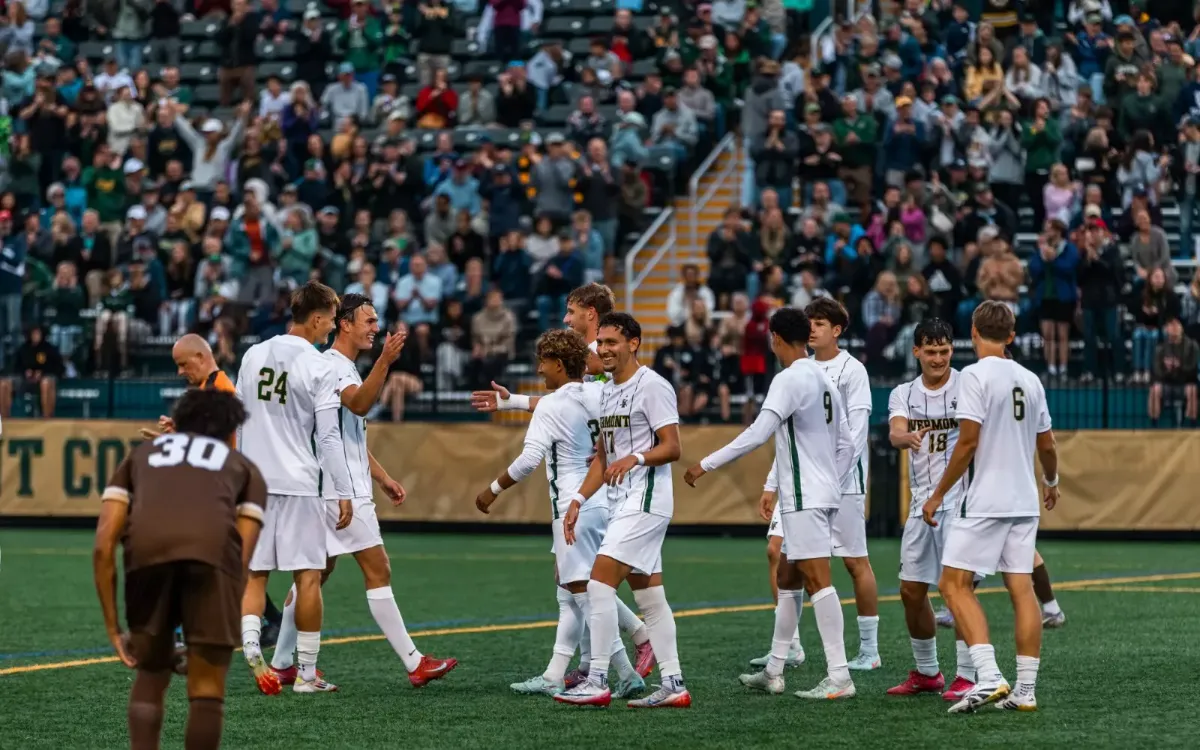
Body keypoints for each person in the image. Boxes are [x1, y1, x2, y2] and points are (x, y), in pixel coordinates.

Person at [469, 283, 657, 686]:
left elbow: (528, 459)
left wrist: (492, 490)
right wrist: (514, 402)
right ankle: (563, 672)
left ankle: (625, 665)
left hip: (572, 502)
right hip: (600, 494)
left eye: (572, 311)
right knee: (574, 588)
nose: (539, 369)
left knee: (588, 590)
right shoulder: (598, 390)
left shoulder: (587, 383)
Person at [267, 294, 458, 687]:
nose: (375, 328)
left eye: (376, 321)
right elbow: (360, 406)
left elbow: (344, 434)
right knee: (377, 568)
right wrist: (386, 362)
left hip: (324, 486)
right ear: (345, 324)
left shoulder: (334, 365)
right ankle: (414, 663)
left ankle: (284, 661)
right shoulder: (336, 367)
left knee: (314, 574)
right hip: (341, 490)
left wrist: (383, 477)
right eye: (368, 321)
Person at [684, 306, 856, 700]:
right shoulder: (823, 378)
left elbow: (758, 433)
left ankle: (841, 676)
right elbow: (846, 443)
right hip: (821, 492)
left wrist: (704, 464)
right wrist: (831, 480)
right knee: (788, 577)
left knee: (817, 580)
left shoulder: (789, 378)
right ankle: (775, 669)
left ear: (775, 338)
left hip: (804, 496)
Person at [92, 389, 265, 750]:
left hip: (146, 557)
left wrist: (114, 628)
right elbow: (241, 559)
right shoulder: (244, 468)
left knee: (151, 676)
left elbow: (103, 544)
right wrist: (210, 638)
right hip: (212, 559)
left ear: (178, 420)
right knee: (206, 688)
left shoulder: (140, 456)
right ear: (231, 430)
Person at [924, 300, 1059, 713]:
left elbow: (967, 442)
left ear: (974, 332)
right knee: (1021, 589)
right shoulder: (1031, 379)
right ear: (1013, 335)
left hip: (985, 499)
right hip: (1023, 500)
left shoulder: (974, 376)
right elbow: (1047, 445)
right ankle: (1026, 690)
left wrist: (937, 494)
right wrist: (1051, 481)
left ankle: (989, 676)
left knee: (952, 585)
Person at [556, 313, 690, 709]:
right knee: (650, 598)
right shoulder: (608, 390)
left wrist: (634, 458)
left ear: (634, 343)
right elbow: (602, 457)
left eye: (613, 342)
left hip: (645, 499)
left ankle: (596, 679)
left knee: (598, 584)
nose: (604, 349)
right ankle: (674, 683)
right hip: (622, 502)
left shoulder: (653, 386)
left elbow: (673, 446)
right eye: (601, 343)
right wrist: (578, 499)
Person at [235, 282, 355, 695]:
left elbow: (238, 419)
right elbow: (328, 438)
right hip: (299, 483)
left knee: (255, 575)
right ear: (317, 317)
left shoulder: (252, 355)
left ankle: (253, 651)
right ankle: (306, 675)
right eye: (331, 319)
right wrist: (343, 489)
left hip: (253, 482)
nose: (332, 327)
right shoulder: (320, 365)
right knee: (308, 575)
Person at [884, 319, 978, 702]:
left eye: (944, 350)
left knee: (958, 587)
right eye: (931, 351)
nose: (938, 358)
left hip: (959, 500)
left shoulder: (967, 386)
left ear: (952, 350)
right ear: (916, 351)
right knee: (910, 589)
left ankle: (968, 675)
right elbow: (894, 432)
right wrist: (903, 437)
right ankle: (927, 672)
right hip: (922, 500)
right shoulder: (903, 393)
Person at [791, 297, 881, 670]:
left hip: (843, 483)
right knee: (791, 558)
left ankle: (869, 650)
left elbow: (857, 433)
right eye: (809, 321)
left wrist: (836, 476)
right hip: (807, 482)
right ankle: (790, 646)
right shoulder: (802, 368)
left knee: (854, 562)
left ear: (838, 330)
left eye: (821, 323)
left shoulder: (852, 370)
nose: (812, 328)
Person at [1148, 317, 1199, 426]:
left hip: (1184, 382)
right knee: (1155, 389)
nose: (1174, 328)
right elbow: (1157, 370)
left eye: (1176, 324)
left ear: (1182, 328)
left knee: (1192, 390)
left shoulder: (1192, 346)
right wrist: (1168, 368)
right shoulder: (1161, 348)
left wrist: (1179, 366)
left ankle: (1192, 424)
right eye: (1170, 325)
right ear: (1166, 329)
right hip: (1167, 383)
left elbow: (1193, 368)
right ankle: (1154, 423)